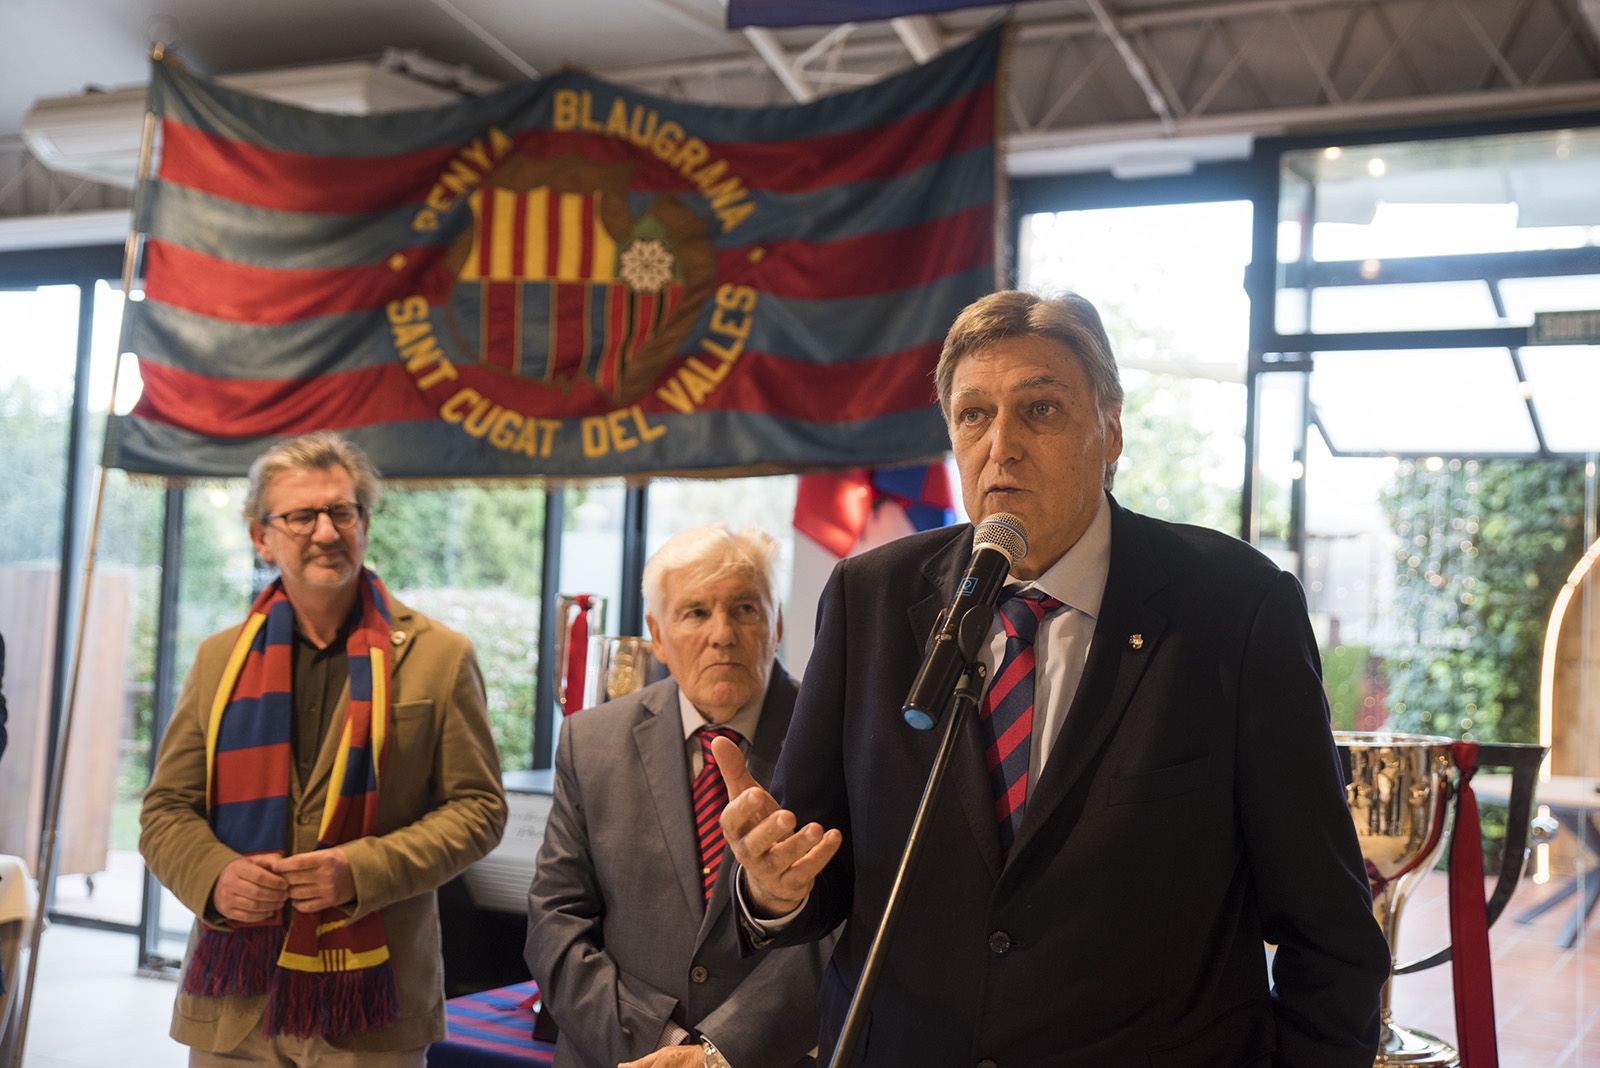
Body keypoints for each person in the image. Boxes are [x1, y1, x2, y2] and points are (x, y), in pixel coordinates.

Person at [718, 291, 1391, 1067]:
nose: (1000, 445)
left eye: (1039, 410)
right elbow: (818, 873)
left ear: (1109, 431)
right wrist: (773, 890)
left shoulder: (1235, 609)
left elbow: (1330, 933)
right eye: (974, 415)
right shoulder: (869, 597)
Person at [140, 431, 507, 1066]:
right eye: (301, 515)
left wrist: (359, 871)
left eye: (343, 511)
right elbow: (165, 810)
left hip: (372, 1004)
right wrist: (214, 876)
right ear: (262, 536)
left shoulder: (441, 657)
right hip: (235, 1003)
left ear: (365, 523)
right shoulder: (219, 659)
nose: (326, 532)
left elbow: (479, 810)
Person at [526, 525, 832, 1068]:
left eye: (744, 609)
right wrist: (665, 1047)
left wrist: (718, 1054)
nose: (722, 634)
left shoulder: (840, 737)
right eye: (695, 613)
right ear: (657, 634)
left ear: (777, 622)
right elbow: (556, 921)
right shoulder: (589, 741)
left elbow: (849, 930)